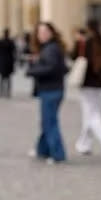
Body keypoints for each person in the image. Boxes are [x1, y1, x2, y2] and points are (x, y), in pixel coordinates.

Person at [72, 19, 101, 160]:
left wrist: (77, 42)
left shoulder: (85, 42)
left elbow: (74, 56)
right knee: (90, 113)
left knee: (92, 115)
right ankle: (84, 144)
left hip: (87, 82)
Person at [27, 22, 68, 164]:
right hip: (51, 89)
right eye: (39, 32)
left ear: (51, 33)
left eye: (44, 32)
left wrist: (32, 70)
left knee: (50, 122)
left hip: (51, 89)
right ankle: (42, 150)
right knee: (47, 121)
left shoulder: (51, 49)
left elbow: (51, 68)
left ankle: (58, 154)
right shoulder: (50, 48)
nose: (41, 35)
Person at [0, 29, 16, 99]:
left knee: (2, 78)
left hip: (3, 62)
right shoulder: (10, 42)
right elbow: (14, 51)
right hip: (8, 62)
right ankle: (7, 92)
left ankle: (2, 92)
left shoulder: (1, 41)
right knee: (8, 78)